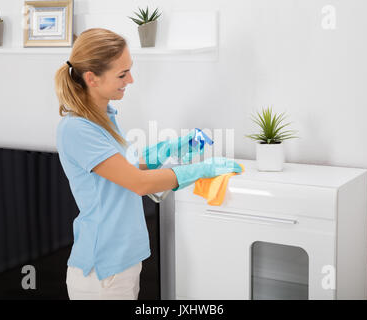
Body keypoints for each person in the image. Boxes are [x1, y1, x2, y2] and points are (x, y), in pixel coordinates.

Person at [54, 28, 241, 300]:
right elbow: (139, 184)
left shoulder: (104, 114)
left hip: (125, 261)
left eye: (129, 70)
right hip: (103, 270)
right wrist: (201, 170)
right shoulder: (76, 129)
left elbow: (123, 167)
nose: (130, 79)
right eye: (122, 74)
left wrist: (167, 151)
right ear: (92, 78)